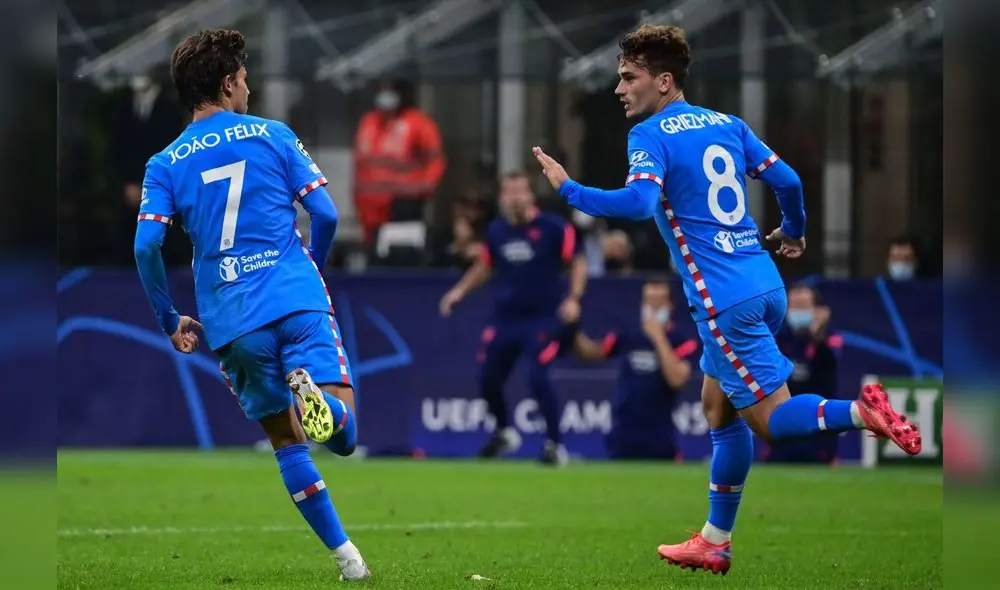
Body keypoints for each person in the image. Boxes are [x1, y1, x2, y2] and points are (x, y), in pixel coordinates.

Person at [531, 24, 920, 575]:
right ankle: (715, 540)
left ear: (663, 82)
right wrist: (792, 230)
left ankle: (861, 412)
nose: (619, 89)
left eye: (628, 77)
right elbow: (788, 181)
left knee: (770, 419)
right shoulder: (728, 124)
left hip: (723, 302)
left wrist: (569, 189)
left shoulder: (650, 134)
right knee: (718, 408)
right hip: (765, 285)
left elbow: (641, 206)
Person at [132, 29, 369, 581]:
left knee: (288, 443)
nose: (248, 86)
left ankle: (348, 560)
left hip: (231, 319)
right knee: (344, 434)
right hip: (293, 294)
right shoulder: (273, 135)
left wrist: (170, 319)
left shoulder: (164, 163)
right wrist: (313, 264)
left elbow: (146, 246)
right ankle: (319, 402)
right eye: (244, 77)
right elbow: (327, 215)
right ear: (229, 81)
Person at [439, 171, 588, 466]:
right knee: (487, 377)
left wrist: (573, 299)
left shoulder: (553, 228)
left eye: (519, 191)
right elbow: (484, 265)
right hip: (506, 319)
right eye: (508, 192)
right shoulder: (497, 232)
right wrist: (458, 292)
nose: (514, 198)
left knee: (537, 375)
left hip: (543, 319)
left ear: (531, 194)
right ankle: (504, 431)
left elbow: (578, 262)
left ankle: (555, 446)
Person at [573, 277, 698, 460]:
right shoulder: (629, 335)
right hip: (623, 435)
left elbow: (677, 379)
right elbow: (591, 353)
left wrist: (658, 338)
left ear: (669, 305)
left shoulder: (682, 341)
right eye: (649, 302)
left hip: (659, 436)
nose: (652, 309)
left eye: (658, 303)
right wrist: (572, 328)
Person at [353, 77, 446, 243]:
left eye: (389, 90)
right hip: (369, 208)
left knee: (400, 252)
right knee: (374, 253)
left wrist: (424, 187)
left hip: (403, 203)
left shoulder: (418, 123)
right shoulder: (368, 122)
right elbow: (360, 164)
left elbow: (435, 160)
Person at [767, 284, 842, 465]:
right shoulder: (776, 339)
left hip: (819, 433)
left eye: (804, 306)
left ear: (816, 310)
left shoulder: (831, 339)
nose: (798, 312)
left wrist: (816, 334)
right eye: (795, 306)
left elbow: (827, 362)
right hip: (783, 430)